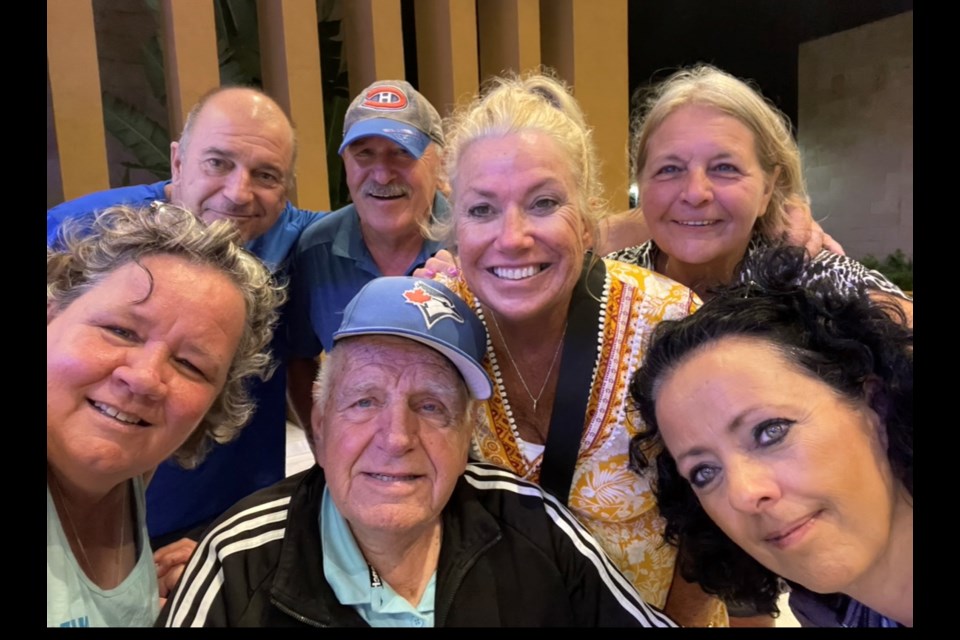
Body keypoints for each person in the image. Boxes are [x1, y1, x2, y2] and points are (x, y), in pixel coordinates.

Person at [158, 277, 676, 627]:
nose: (397, 437)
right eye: (364, 401)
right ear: (320, 423)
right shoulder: (237, 562)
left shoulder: (535, 524)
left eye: (430, 407)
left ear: (465, 433)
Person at [419, 71, 727, 626]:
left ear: (587, 222)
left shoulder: (668, 324)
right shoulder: (434, 327)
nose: (511, 237)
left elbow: (716, 518)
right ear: (454, 229)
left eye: (542, 203)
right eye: (482, 209)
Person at [46, 86, 320, 598]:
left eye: (265, 175)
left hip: (222, 518)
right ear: (177, 158)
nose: (238, 193)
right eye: (218, 162)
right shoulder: (82, 232)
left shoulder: (299, 244)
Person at [628, 245, 913, 628]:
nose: (744, 494)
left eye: (770, 432)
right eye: (704, 472)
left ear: (875, 405)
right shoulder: (827, 612)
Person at [47, 203, 284, 627]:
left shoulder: (134, 469)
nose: (145, 379)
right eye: (120, 331)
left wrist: (139, 600)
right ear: (52, 314)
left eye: (191, 365)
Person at [606, 64, 911, 312]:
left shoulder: (814, 282)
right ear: (642, 183)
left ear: (768, 188)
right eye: (669, 169)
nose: (696, 192)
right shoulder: (602, 288)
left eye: (725, 168)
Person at [286, 80, 451, 431]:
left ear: (439, 162)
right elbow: (299, 358)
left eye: (402, 152)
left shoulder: (474, 242)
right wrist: (325, 447)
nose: (381, 173)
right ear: (345, 161)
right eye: (364, 153)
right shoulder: (316, 249)